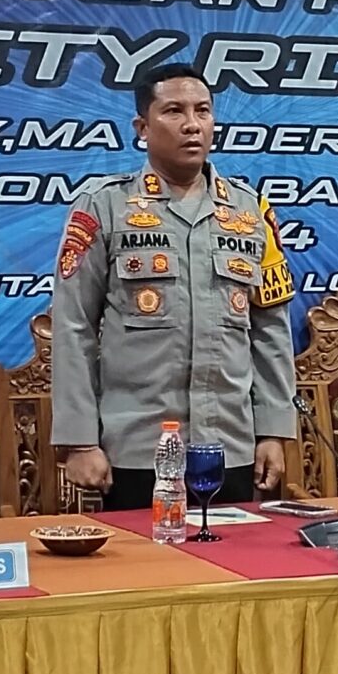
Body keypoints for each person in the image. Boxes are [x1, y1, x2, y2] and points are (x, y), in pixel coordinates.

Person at [48, 63, 297, 510]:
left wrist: (274, 431)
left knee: (238, 553)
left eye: (203, 111)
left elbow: (270, 332)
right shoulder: (105, 206)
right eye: (174, 111)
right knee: (143, 555)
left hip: (230, 444)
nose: (192, 124)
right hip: (137, 446)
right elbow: (73, 327)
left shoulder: (250, 212)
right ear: (142, 128)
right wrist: (80, 441)